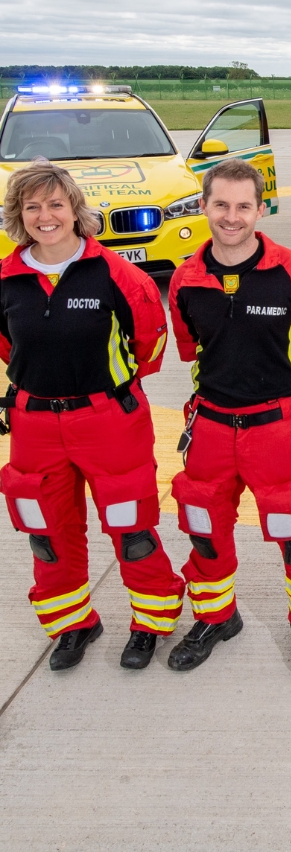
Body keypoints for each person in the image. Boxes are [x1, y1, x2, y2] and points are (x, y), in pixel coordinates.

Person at [0, 160, 183, 671]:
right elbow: (8, 347)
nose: (45, 216)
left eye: (55, 204)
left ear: (76, 211)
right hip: (34, 425)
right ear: (18, 215)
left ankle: (151, 621)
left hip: (109, 421)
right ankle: (71, 624)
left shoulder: (117, 275)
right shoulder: (7, 280)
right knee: (47, 532)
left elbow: (150, 343)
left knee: (132, 527)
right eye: (31, 206)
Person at [168, 158, 291, 678]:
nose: (232, 216)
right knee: (204, 528)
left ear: (261, 209)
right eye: (221, 204)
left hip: (275, 430)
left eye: (244, 205)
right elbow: (191, 348)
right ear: (204, 206)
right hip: (211, 430)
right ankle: (217, 617)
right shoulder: (185, 280)